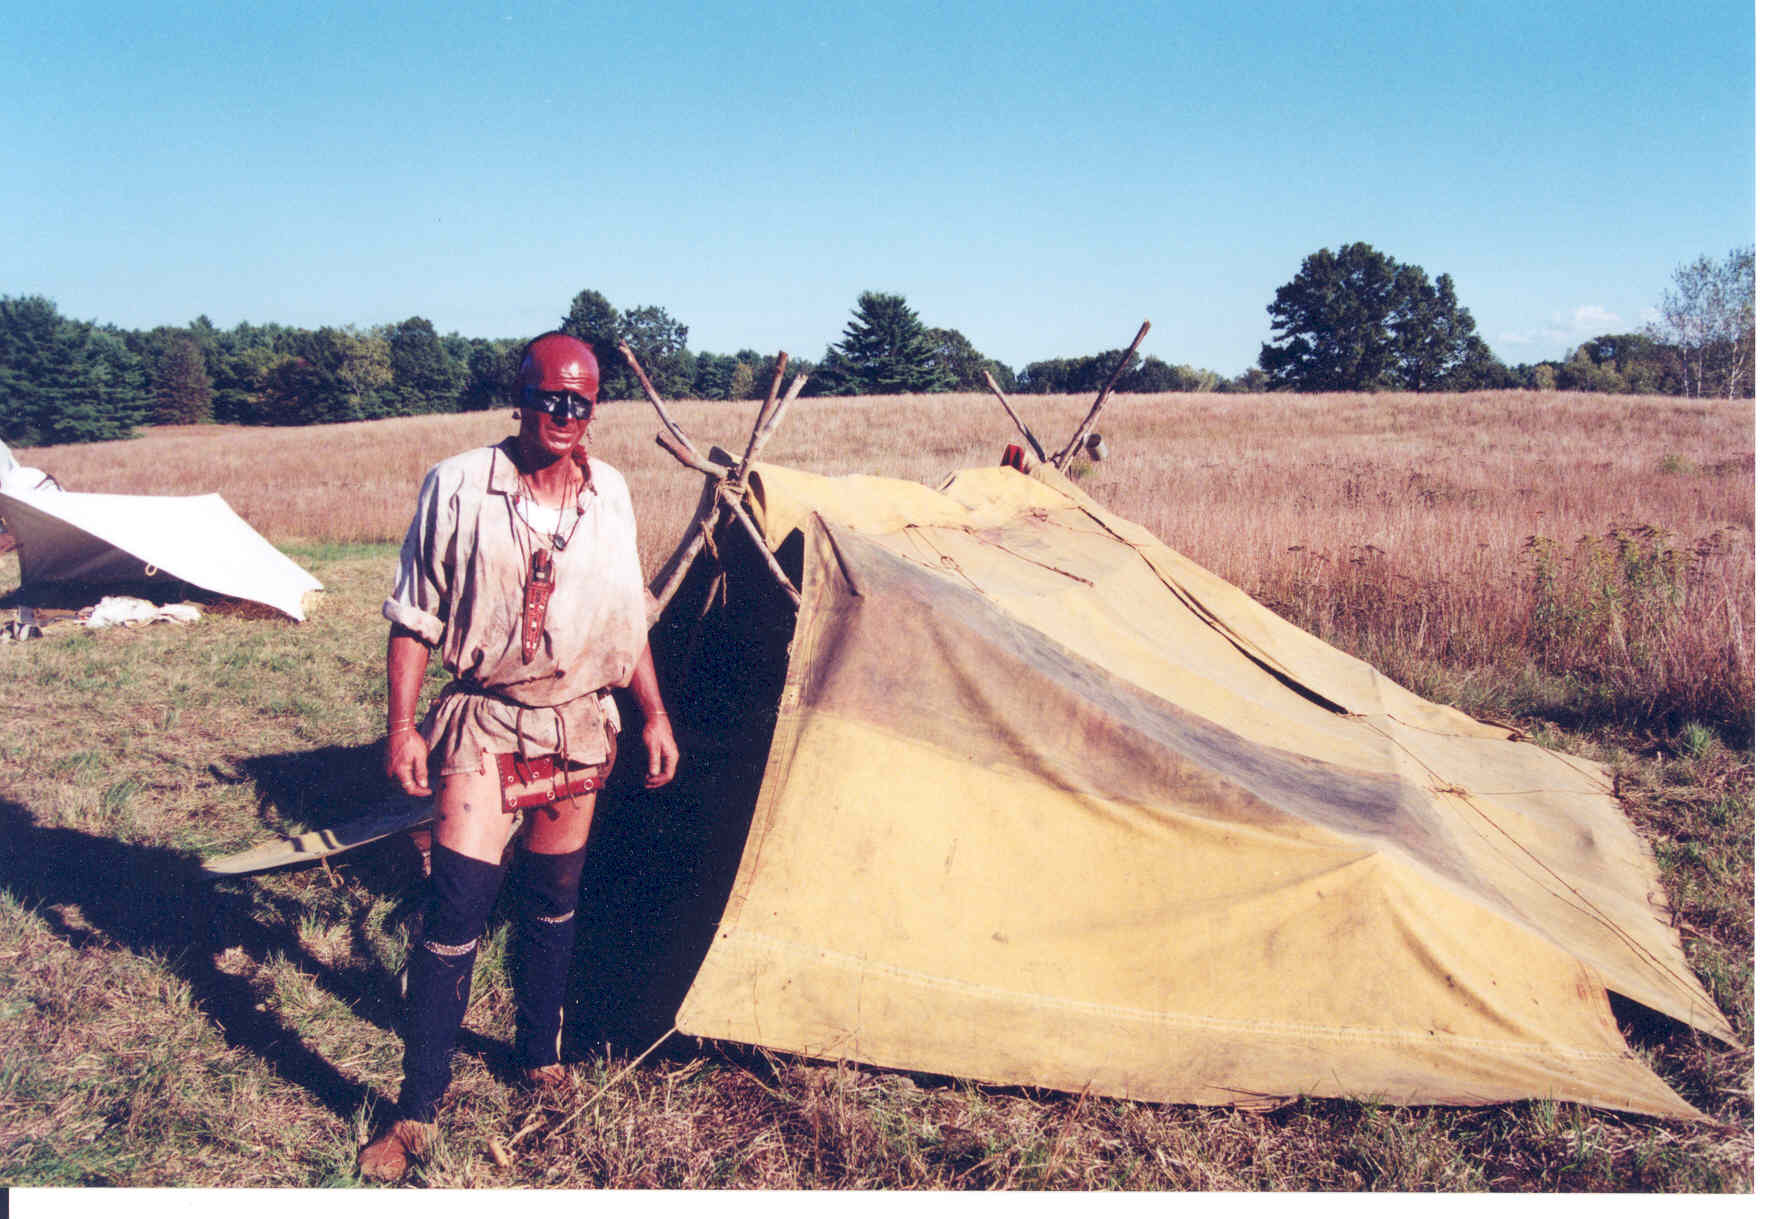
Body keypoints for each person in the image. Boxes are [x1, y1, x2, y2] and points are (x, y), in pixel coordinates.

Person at [358, 331, 679, 1181]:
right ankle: (417, 1110)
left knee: (553, 898)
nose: (565, 414)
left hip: (578, 721)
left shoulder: (608, 492)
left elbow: (627, 619)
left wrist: (652, 713)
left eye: (581, 401)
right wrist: (401, 728)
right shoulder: (460, 485)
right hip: (486, 721)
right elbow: (414, 616)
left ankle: (539, 1054)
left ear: (594, 407)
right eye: (550, 397)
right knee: (456, 904)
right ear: (521, 395)